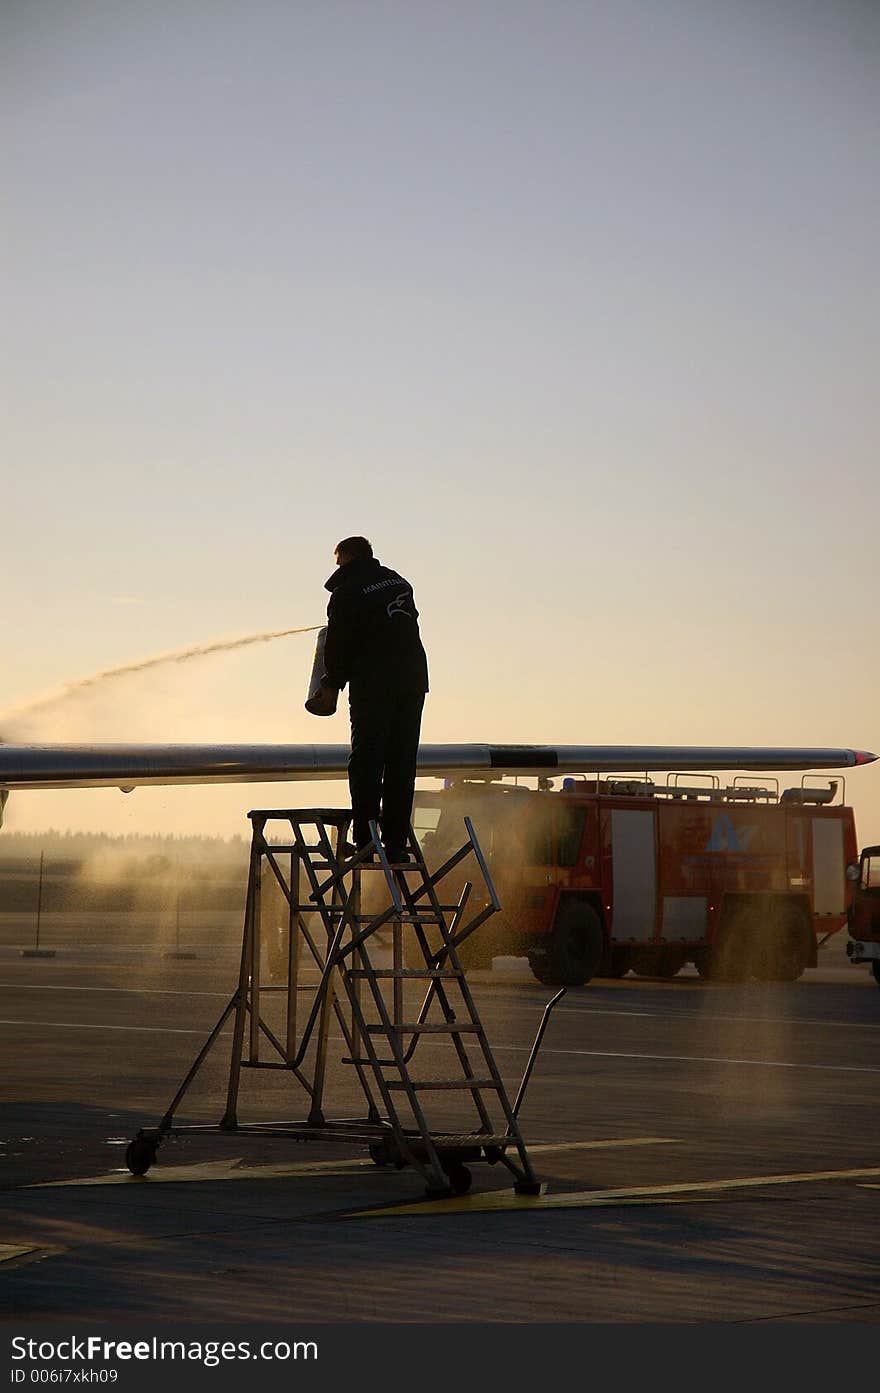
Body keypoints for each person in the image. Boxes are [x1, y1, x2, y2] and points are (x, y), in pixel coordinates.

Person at [318, 536, 429, 862]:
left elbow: (337, 649)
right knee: (401, 762)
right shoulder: (400, 583)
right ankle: (395, 845)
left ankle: (366, 842)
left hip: (374, 687)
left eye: (338, 562)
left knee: (367, 762)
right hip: (412, 684)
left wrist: (330, 685)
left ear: (348, 557)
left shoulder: (346, 593)